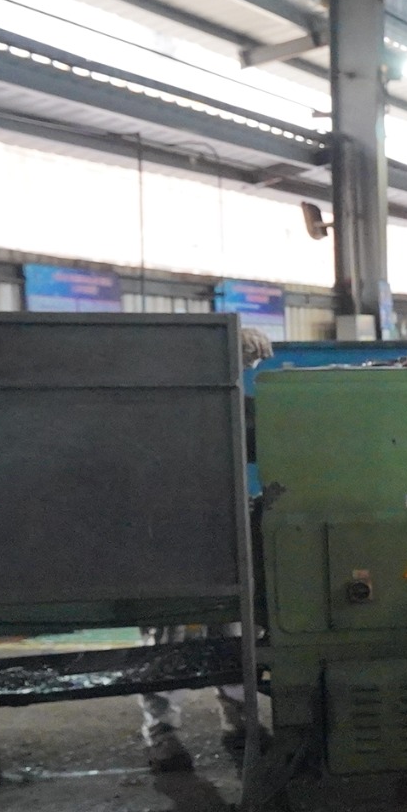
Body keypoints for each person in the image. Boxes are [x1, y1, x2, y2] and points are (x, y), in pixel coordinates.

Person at [137, 326, 275, 771]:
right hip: (171, 542)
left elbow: (265, 436)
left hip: (223, 538)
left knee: (234, 635)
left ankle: (239, 719)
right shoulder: (167, 406)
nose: (245, 371)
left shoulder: (236, 407)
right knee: (169, 641)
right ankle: (162, 732)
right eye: (243, 362)